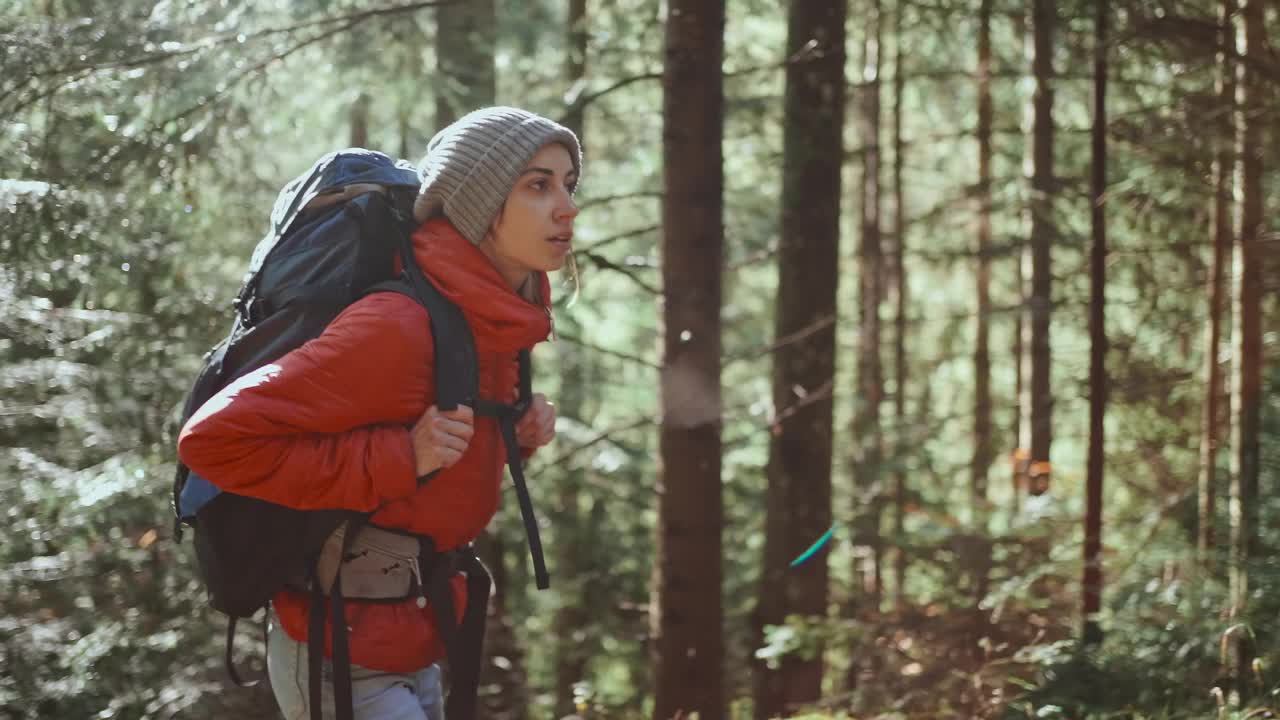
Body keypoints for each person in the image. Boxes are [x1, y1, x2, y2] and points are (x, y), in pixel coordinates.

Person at [177, 106, 582, 720]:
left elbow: (432, 452)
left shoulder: (489, 318)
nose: (566, 207)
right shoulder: (400, 324)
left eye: (568, 184)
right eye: (537, 185)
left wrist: (512, 434)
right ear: (477, 201)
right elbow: (212, 442)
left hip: (413, 640)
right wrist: (400, 455)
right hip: (340, 653)